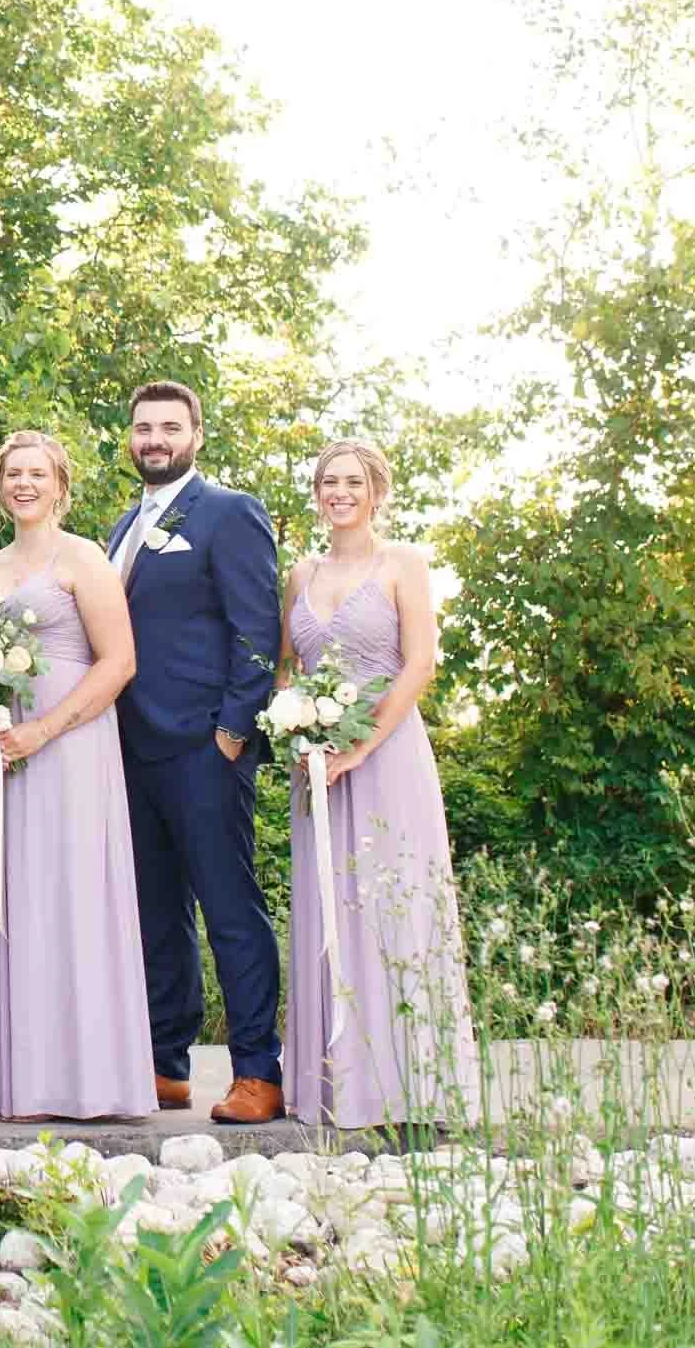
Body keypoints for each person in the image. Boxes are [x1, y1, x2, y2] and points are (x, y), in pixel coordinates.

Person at [0, 430, 153, 1121]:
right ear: (0, 485)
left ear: (60, 485)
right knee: (2, 895)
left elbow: (118, 662)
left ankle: (82, 1078)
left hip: (70, 749)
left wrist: (43, 728)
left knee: (67, 897)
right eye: (12, 472)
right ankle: (3, 1078)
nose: (24, 483)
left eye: (37, 472)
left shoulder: (84, 559)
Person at [281, 439, 479, 1129]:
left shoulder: (404, 565)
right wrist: (298, 729)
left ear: (376, 490)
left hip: (388, 756)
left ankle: (412, 1088)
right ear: (317, 492)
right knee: (328, 906)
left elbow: (419, 665)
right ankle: (333, 1085)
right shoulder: (301, 571)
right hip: (318, 766)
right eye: (328, 481)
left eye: (352, 481)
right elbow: (286, 669)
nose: (339, 492)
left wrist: (360, 747)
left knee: (396, 907)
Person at [108, 380, 285, 1124]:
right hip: (131, 745)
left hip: (205, 745)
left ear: (197, 435)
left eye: (169, 426)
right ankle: (164, 1063)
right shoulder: (121, 525)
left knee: (229, 907)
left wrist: (233, 729)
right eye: (144, 427)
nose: (155, 438)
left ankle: (257, 1070)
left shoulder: (228, 512)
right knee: (157, 913)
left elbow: (258, 628)